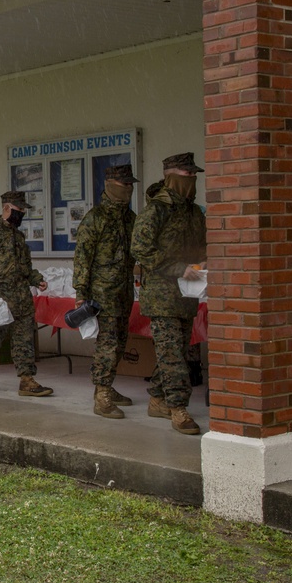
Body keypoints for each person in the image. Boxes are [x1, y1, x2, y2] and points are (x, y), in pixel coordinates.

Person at [130, 152, 207, 436]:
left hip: (187, 295)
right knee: (173, 355)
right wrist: (178, 268)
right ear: (171, 175)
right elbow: (139, 248)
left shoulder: (192, 211)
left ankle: (158, 400)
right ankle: (178, 408)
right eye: (188, 175)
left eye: (195, 175)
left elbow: (201, 245)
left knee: (176, 353)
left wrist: (205, 261)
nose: (193, 179)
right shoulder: (156, 210)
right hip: (162, 296)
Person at [73, 164, 138, 419]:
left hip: (124, 293)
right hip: (102, 294)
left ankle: (108, 385)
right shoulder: (95, 218)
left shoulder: (129, 219)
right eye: (125, 184)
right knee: (107, 345)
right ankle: (101, 394)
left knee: (120, 342)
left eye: (131, 184)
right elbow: (82, 258)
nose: (129, 189)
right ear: (111, 185)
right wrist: (81, 291)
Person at [0, 191, 52, 396]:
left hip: (21, 297)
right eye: (19, 210)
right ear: (6, 208)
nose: (22, 214)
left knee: (24, 339)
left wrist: (36, 279)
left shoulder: (19, 237)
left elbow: (25, 266)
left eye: (24, 210)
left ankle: (27, 380)